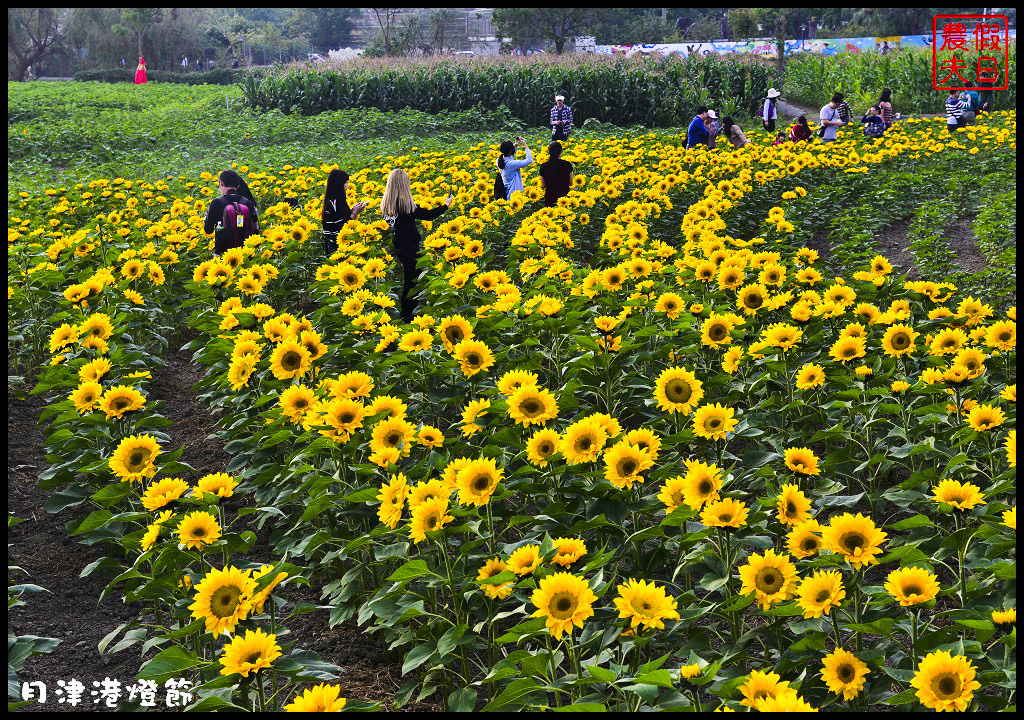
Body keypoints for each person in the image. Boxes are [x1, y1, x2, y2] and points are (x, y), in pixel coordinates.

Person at [380, 169, 452, 323]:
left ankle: (409, 311)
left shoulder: (388, 203)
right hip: (410, 246)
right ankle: (408, 314)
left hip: (399, 245)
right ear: (403, 185)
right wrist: (445, 206)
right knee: (412, 280)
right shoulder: (405, 204)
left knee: (411, 277)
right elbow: (428, 215)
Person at [204, 170, 259, 256]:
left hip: (222, 254)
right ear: (238, 186)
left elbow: (208, 230)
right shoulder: (249, 203)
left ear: (220, 183)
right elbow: (256, 231)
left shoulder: (216, 203)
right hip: (245, 254)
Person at [321, 169, 369, 255]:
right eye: (345, 182)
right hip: (336, 246)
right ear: (339, 184)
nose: (347, 185)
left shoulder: (336, 199)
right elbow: (341, 226)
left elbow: (340, 217)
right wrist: (354, 213)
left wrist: (353, 210)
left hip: (340, 243)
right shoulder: (334, 202)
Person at [538, 141, 573, 207]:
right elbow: (571, 183)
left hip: (550, 198)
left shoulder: (543, 166)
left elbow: (543, 185)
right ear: (561, 152)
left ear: (549, 152)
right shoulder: (567, 164)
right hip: (564, 198)